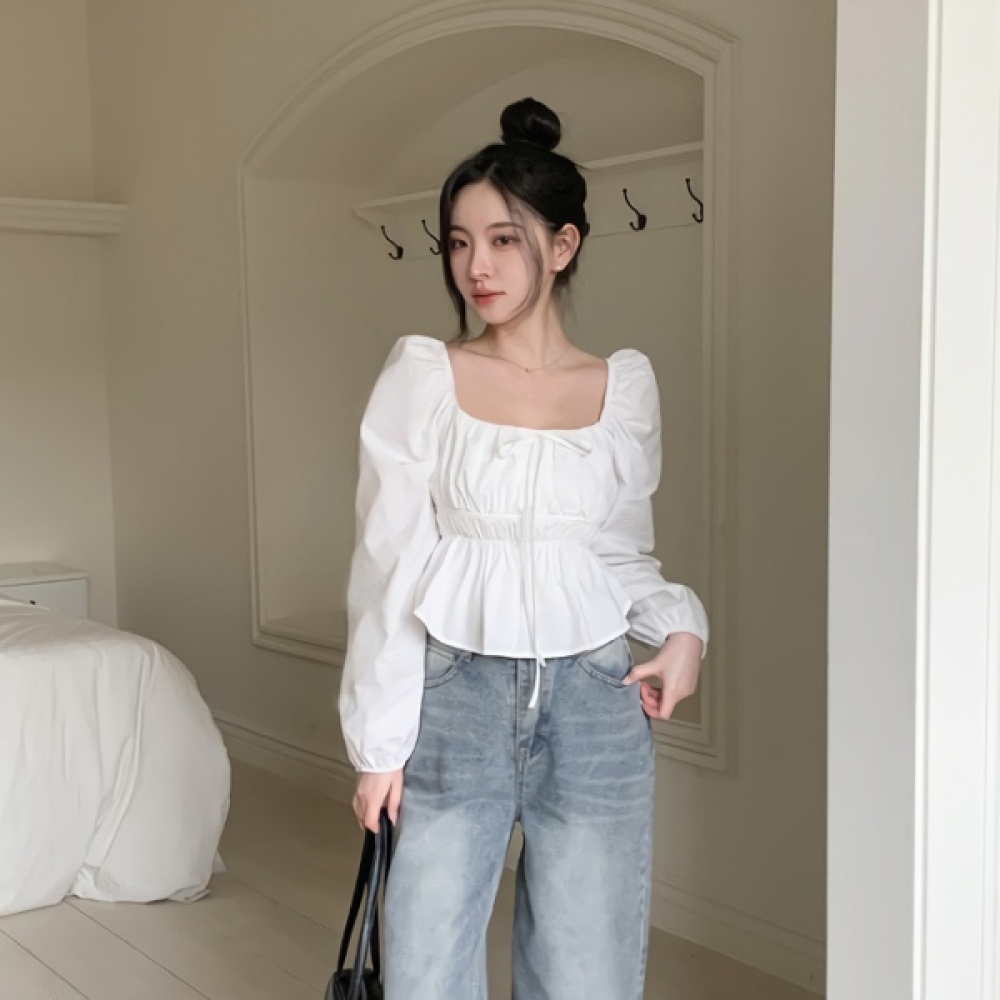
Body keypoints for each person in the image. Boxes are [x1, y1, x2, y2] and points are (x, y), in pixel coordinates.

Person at [338, 96, 709, 999]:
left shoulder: (622, 388)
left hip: (594, 702)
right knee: (426, 970)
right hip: (455, 698)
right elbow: (388, 566)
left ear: (564, 244)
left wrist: (682, 629)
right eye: (459, 242)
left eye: (505, 240)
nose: (477, 266)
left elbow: (619, 551)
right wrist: (378, 744)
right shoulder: (425, 376)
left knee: (588, 972)